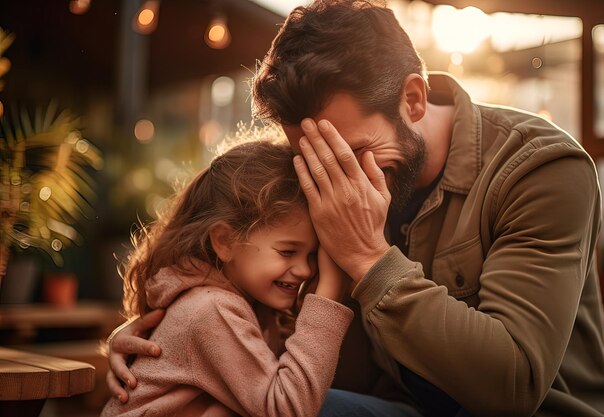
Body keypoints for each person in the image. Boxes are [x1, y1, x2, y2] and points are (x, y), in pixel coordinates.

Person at [107, 1, 604, 416]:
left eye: (353, 155)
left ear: (414, 100)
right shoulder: (319, 175)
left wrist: (370, 259)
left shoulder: (541, 168)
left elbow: (513, 390)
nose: (340, 180)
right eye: (313, 158)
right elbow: (242, 280)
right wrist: (163, 348)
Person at [100, 135, 409, 417]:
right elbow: (290, 408)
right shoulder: (212, 310)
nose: (305, 270)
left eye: (313, 256)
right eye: (288, 252)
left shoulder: (239, 303)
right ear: (224, 242)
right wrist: (327, 292)